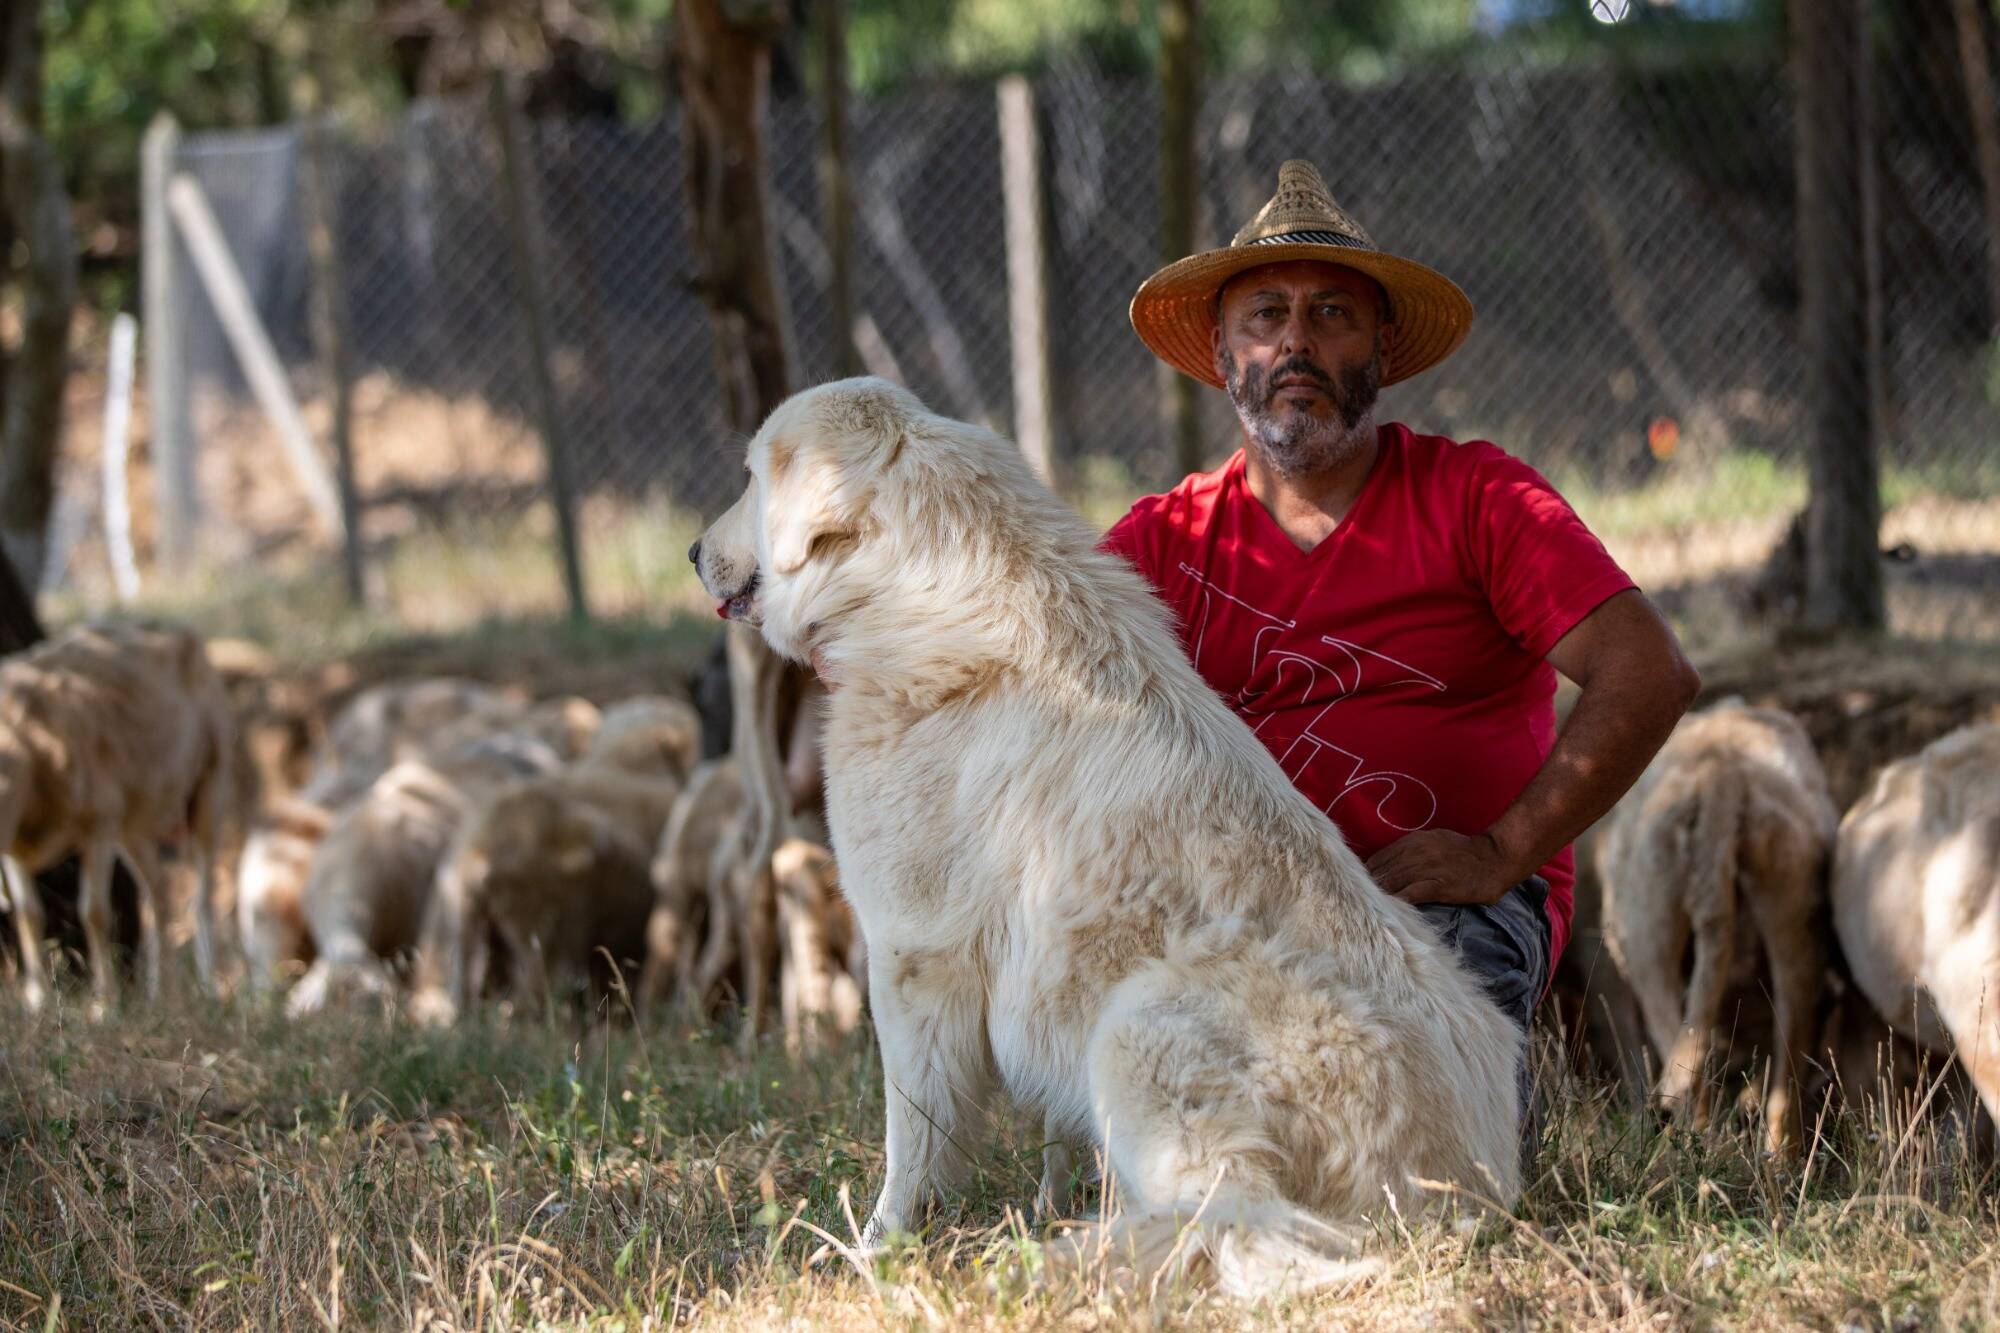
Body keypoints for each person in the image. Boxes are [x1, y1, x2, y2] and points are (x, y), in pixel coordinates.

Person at [1103, 159, 1700, 1059]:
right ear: (1223, 354)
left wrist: (1502, 851)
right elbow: (1027, 697)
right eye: (1265, 314)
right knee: (1161, 1077)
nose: (1296, 341)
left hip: (1446, 909)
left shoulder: (1479, 498)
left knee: (1408, 1080)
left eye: (1331, 313)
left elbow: (1649, 670)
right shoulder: (1158, 546)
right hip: (1232, 918)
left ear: (1379, 348)